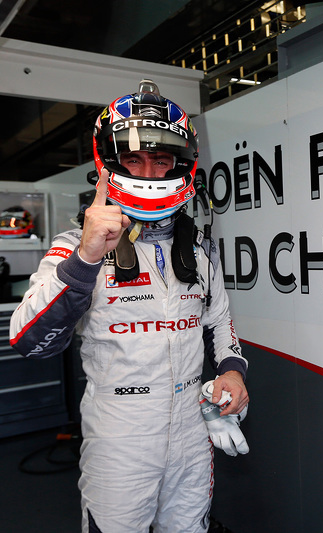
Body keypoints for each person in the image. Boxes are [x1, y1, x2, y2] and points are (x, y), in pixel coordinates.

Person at [9, 80, 250, 533]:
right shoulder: (73, 249)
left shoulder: (199, 249)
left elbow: (220, 322)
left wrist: (232, 370)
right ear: (109, 165)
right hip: (120, 433)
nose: (150, 173)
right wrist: (86, 258)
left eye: (161, 160)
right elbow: (29, 342)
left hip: (193, 427)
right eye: (135, 159)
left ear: (181, 165)